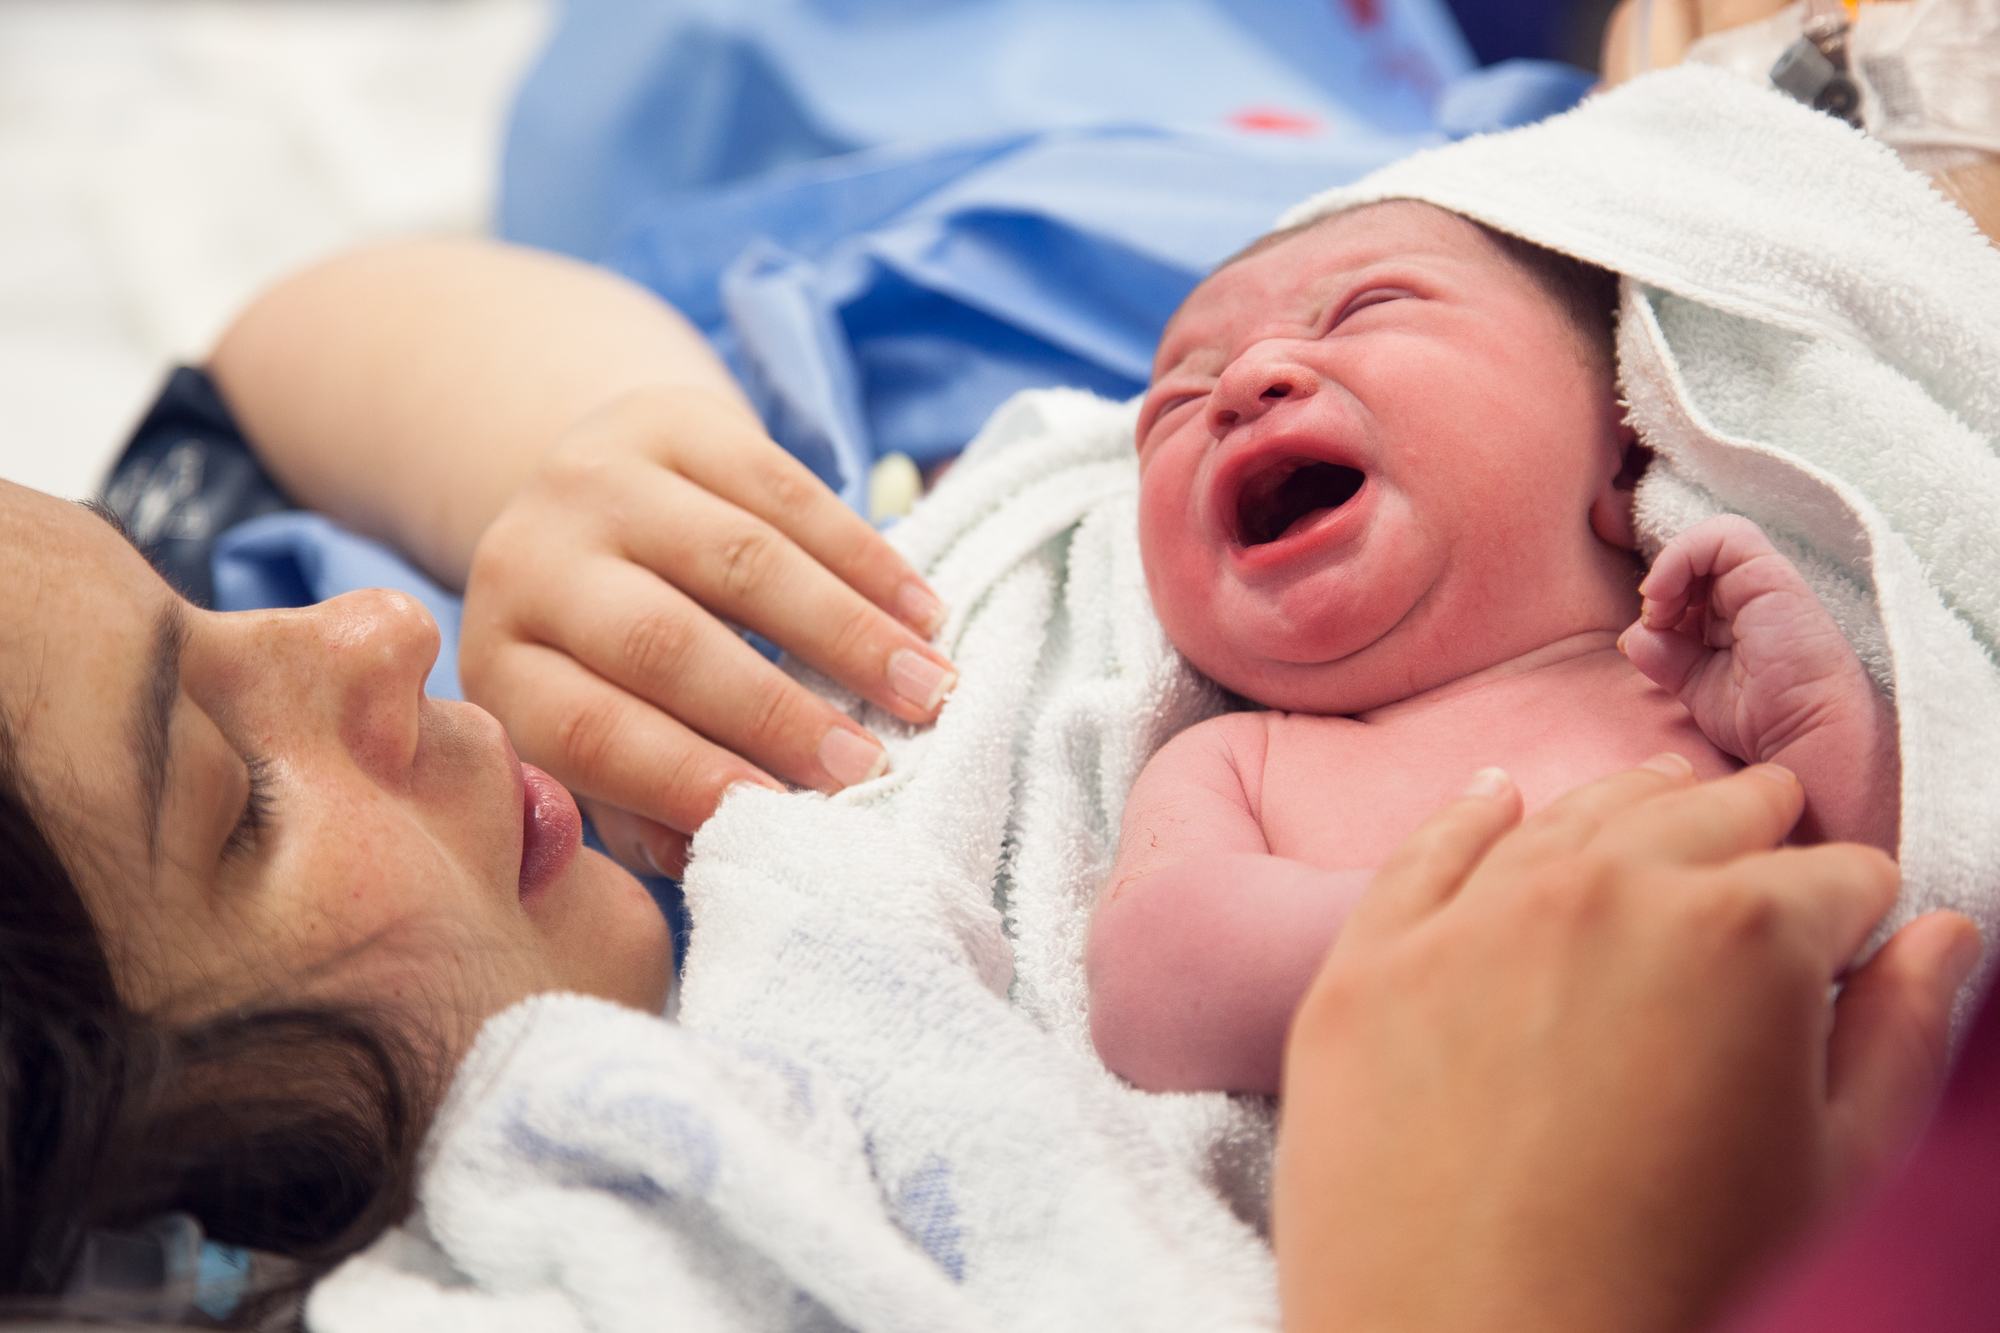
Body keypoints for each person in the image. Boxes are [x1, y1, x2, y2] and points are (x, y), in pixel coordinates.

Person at [1083, 198, 1898, 1094]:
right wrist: (1449, 946)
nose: (1246, 383)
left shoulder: (1720, 690)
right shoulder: (1239, 760)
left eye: (1366, 309)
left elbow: (1898, 897)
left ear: (1626, 446)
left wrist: (1827, 727)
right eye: (1176, 404)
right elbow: (1149, 980)